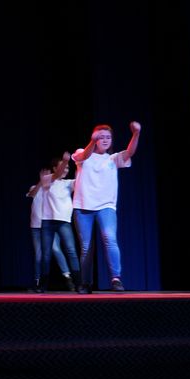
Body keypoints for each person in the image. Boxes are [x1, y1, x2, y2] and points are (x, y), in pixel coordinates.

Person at [72, 121, 141, 293]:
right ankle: (86, 283)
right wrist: (91, 140)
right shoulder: (82, 153)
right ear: (95, 139)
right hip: (83, 207)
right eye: (101, 137)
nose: (104, 140)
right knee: (86, 247)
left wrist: (136, 134)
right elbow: (83, 156)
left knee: (110, 238)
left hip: (106, 206)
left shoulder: (113, 158)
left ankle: (116, 279)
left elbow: (129, 152)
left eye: (108, 137)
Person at [37, 153, 80, 292]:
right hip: (48, 222)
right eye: (63, 167)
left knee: (71, 251)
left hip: (64, 222)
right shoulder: (47, 179)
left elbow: (81, 181)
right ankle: (43, 285)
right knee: (46, 254)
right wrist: (66, 161)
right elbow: (56, 175)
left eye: (67, 168)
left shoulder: (68, 183)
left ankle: (79, 284)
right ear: (55, 168)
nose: (65, 169)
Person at [27, 173, 71, 293]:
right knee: (38, 255)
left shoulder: (53, 188)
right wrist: (40, 182)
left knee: (56, 249)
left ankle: (67, 276)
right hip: (36, 226)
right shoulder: (35, 188)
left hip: (49, 226)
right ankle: (37, 281)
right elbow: (31, 194)